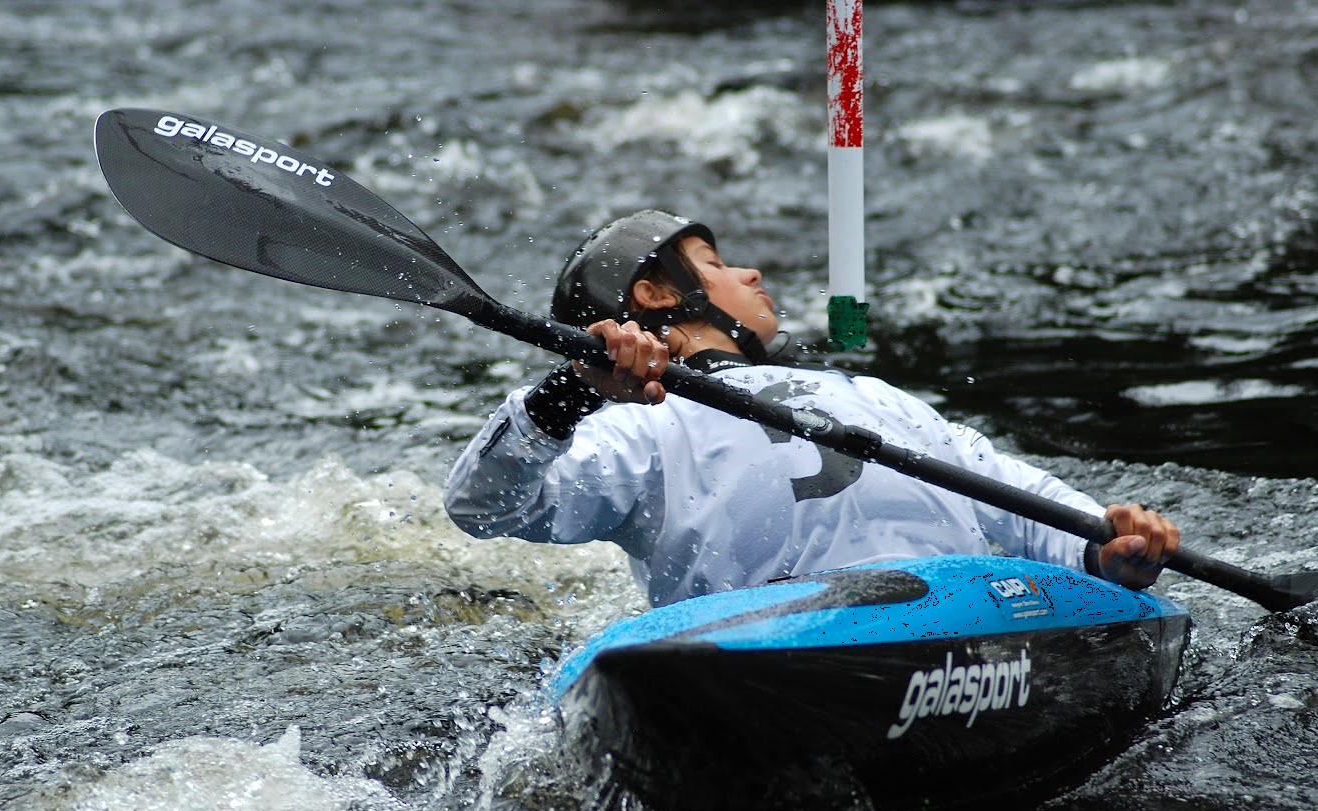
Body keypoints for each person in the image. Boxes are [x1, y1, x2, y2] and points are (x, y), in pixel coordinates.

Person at [444, 209, 1179, 608]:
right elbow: (483, 507)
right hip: (771, 641)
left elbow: (1017, 502)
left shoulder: (870, 396)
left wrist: (1105, 544)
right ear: (657, 295)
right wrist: (569, 392)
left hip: (954, 608)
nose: (750, 272)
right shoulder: (637, 425)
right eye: (716, 265)